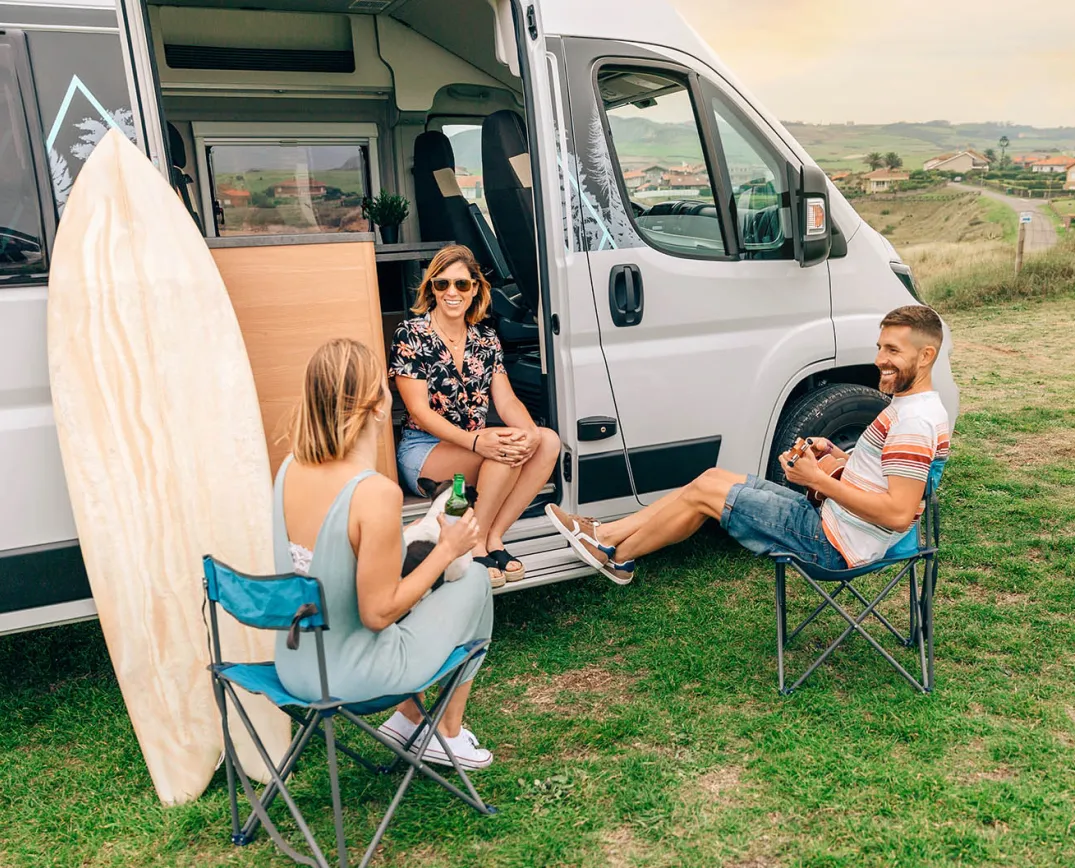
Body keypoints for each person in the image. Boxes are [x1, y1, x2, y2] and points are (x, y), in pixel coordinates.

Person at [546, 305, 951, 584]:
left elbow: (898, 514)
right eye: (880, 347)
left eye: (893, 350)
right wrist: (836, 456)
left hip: (833, 544)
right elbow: (888, 475)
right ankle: (612, 547)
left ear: (927, 354)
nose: (880, 358)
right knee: (711, 478)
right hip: (834, 521)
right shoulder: (912, 408)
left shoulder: (913, 422)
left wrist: (819, 480)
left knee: (708, 492)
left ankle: (609, 543)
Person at [274, 338, 495, 770]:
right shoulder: (375, 492)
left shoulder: (289, 470)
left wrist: (406, 535)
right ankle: (443, 733)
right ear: (378, 407)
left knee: (427, 566)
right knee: (475, 580)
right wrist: (445, 549)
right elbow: (378, 614)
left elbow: (332, 555)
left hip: (296, 664)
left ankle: (409, 719)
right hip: (354, 674)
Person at [390, 244, 560, 588]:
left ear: (476, 289)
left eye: (461, 284)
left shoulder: (485, 337)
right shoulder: (411, 334)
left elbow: (506, 399)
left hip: (474, 443)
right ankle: (476, 544)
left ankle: (494, 536)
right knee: (500, 452)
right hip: (425, 449)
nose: (452, 292)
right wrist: (477, 441)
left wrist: (528, 431)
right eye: (442, 284)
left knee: (548, 441)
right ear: (431, 289)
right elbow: (419, 413)